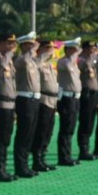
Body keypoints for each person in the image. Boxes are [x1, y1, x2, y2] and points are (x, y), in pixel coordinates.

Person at [13, 31, 41, 178]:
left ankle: (26, 164)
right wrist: (31, 51)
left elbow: (41, 60)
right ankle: (20, 166)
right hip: (25, 100)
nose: (33, 47)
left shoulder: (32, 61)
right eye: (29, 45)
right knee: (24, 132)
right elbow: (23, 61)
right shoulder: (20, 60)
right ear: (23, 46)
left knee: (31, 133)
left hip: (35, 99)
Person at [0, 33, 18, 182]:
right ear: (0, 44)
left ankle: (3, 167)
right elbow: (0, 66)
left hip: (10, 102)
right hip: (1, 103)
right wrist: (9, 53)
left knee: (6, 137)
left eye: (13, 43)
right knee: (1, 137)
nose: (12, 46)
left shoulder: (8, 60)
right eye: (8, 43)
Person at [31, 39, 59, 173]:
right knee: (41, 131)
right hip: (43, 100)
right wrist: (42, 56)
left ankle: (43, 157)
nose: (51, 50)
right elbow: (34, 67)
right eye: (47, 47)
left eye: (52, 47)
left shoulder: (49, 65)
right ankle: (37, 160)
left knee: (48, 131)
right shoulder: (38, 63)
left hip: (52, 100)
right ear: (40, 48)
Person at [56, 37, 82, 166]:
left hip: (75, 97)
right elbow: (66, 65)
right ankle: (63, 156)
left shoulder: (74, 64)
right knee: (65, 127)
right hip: (66, 97)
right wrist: (73, 56)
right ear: (68, 50)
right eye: (74, 49)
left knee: (71, 127)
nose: (76, 51)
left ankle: (68, 154)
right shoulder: (63, 62)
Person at [77, 40, 98, 161]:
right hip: (85, 92)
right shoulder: (81, 59)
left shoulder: (92, 59)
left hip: (93, 93)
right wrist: (92, 57)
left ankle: (87, 147)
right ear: (85, 49)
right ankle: (83, 149)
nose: (94, 50)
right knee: (85, 121)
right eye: (91, 48)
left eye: (94, 47)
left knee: (91, 121)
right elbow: (84, 65)